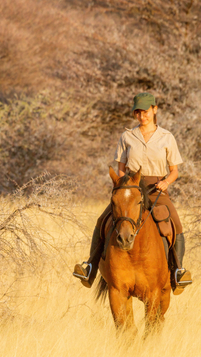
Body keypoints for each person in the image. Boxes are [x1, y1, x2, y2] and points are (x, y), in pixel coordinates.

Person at [72, 92, 192, 293]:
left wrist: (166, 183)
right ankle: (90, 268)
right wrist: (122, 185)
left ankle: (178, 271)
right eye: (137, 112)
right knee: (102, 220)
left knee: (175, 225)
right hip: (130, 187)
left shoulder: (167, 137)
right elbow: (120, 167)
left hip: (155, 187)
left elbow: (175, 171)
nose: (141, 116)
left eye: (145, 111)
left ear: (155, 110)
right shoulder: (127, 136)